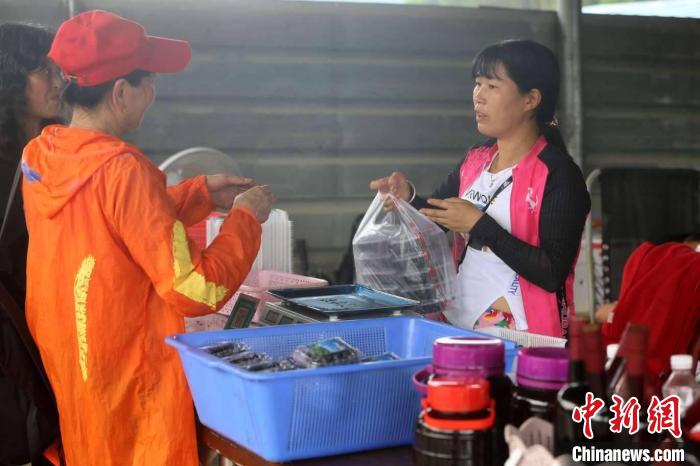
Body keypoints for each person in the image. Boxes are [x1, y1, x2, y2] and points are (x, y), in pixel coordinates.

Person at [21, 10, 276, 466]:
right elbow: (195, 289)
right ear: (120, 92)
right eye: (149, 83)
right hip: (129, 375)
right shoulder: (123, 170)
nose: (154, 93)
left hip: (76, 358)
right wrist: (245, 221)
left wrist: (196, 192)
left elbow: (106, 225)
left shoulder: (44, 154)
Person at [370, 39, 590, 338]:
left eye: (492, 86)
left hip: (517, 336)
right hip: (455, 318)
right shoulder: (477, 159)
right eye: (477, 84)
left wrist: (479, 225)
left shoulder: (559, 175)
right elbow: (436, 217)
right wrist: (407, 196)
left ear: (531, 100)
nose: (478, 97)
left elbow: (552, 273)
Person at [0, 22, 63, 466]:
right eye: (43, 68)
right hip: (14, 334)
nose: (58, 80)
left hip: (49, 328)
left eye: (59, 68)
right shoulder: (10, 164)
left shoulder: (57, 153)